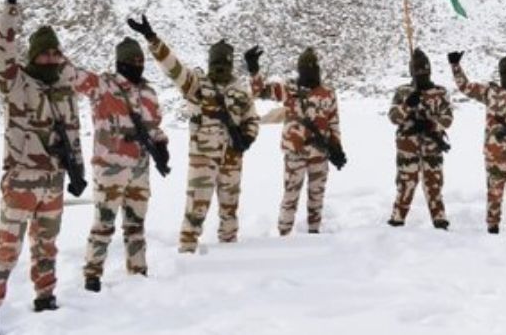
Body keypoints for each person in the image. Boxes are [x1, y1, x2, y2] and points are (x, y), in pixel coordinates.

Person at [0, 0, 86, 335]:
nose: (51, 59)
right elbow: (0, 55)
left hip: (53, 183)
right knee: (7, 250)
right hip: (21, 181)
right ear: (33, 56)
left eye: (56, 54)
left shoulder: (65, 92)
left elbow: (72, 134)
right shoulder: (17, 84)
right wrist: (10, 10)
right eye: (45, 54)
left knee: (47, 247)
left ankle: (45, 297)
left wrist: (78, 170)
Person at [128, 15, 258, 252]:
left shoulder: (240, 91)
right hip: (203, 159)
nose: (220, 67)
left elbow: (251, 118)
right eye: (216, 63)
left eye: (224, 63)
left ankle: (231, 252)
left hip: (232, 158)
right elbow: (173, 67)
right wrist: (152, 39)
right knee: (196, 209)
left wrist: (248, 137)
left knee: (230, 210)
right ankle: (187, 254)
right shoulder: (197, 84)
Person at [66, 37, 169, 291]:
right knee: (104, 224)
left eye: (141, 60)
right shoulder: (103, 86)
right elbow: (70, 74)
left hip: (140, 168)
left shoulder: (148, 92)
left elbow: (153, 127)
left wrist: (162, 145)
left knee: (136, 225)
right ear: (121, 62)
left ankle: (138, 272)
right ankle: (92, 275)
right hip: (110, 167)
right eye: (133, 60)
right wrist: (52, 49)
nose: (138, 64)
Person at [246, 45, 345, 235]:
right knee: (290, 196)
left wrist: (337, 149)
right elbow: (260, 92)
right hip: (295, 153)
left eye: (313, 68)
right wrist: (254, 70)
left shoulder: (328, 93)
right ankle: (284, 234)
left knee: (317, 197)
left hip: (320, 154)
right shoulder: (289, 89)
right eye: (306, 69)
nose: (310, 72)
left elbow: (333, 122)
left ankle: (314, 233)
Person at [450, 51, 506, 233]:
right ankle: (492, 232)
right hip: (495, 156)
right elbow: (465, 87)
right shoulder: (490, 92)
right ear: (500, 75)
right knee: (494, 196)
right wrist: (456, 67)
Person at [387, 48, 453, 229]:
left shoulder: (440, 93)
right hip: (408, 147)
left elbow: (447, 119)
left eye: (425, 70)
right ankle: (397, 219)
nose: (422, 73)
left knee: (434, 184)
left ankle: (439, 219)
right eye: (418, 70)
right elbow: (393, 117)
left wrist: (432, 125)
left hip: (432, 146)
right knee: (405, 184)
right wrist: (408, 105)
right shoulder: (403, 92)